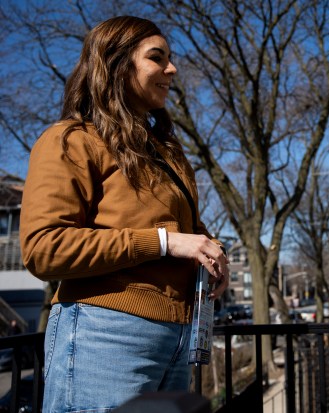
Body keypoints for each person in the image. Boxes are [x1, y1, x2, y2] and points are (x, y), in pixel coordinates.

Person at [19, 16, 229, 412]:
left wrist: (211, 252)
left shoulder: (167, 153)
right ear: (117, 64)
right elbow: (43, 248)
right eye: (157, 57)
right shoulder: (70, 140)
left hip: (178, 338)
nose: (172, 68)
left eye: (171, 58)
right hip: (106, 334)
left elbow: (189, 230)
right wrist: (165, 241)